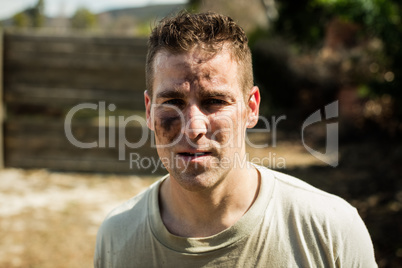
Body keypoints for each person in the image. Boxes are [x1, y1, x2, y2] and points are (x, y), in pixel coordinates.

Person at [94, 11, 377, 267]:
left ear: (251, 108)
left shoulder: (330, 230)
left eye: (214, 101)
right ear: (148, 110)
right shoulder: (117, 237)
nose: (194, 128)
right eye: (172, 102)